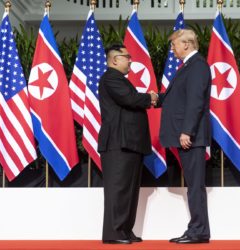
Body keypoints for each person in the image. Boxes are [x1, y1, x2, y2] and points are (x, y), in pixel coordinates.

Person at [98, 44, 158, 244]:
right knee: (118, 189)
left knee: (130, 190)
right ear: (115, 60)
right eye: (127, 56)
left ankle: (124, 231)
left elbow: (131, 99)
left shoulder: (119, 79)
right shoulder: (111, 78)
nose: (130, 60)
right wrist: (149, 97)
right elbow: (130, 99)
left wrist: (147, 98)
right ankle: (114, 233)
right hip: (118, 143)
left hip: (129, 143)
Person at [157, 29, 211, 244]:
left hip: (191, 137)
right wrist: (153, 99)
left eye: (174, 45)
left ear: (186, 45)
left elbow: (196, 102)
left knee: (195, 185)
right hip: (187, 135)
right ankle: (198, 229)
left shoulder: (197, 66)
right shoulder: (189, 66)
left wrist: (186, 131)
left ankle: (198, 231)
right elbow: (176, 98)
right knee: (193, 184)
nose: (172, 49)